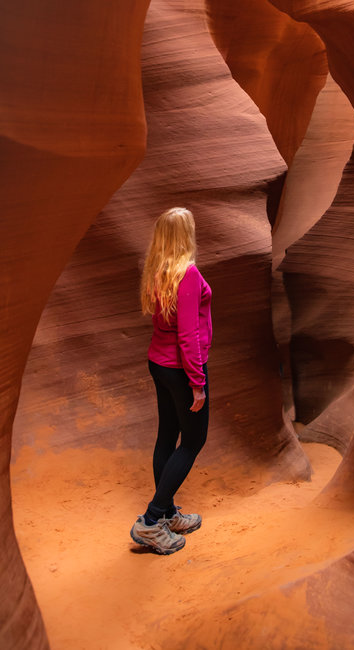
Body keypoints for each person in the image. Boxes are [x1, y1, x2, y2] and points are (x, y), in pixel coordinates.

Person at [130, 207, 212, 555]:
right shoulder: (187, 274)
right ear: (185, 235)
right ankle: (150, 522)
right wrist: (197, 382)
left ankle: (166, 514)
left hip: (159, 364)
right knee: (193, 441)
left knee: (167, 435)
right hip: (181, 369)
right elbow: (188, 334)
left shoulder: (157, 272)